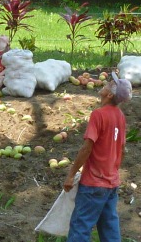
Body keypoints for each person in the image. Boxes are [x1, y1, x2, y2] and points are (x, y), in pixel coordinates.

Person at [63, 72, 132, 242]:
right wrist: (113, 171)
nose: (106, 83)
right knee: (109, 228)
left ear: (109, 95)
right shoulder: (120, 117)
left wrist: (71, 174)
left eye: (109, 84)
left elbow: (87, 148)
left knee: (80, 227)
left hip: (93, 183)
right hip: (111, 183)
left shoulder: (98, 115)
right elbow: (122, 149)